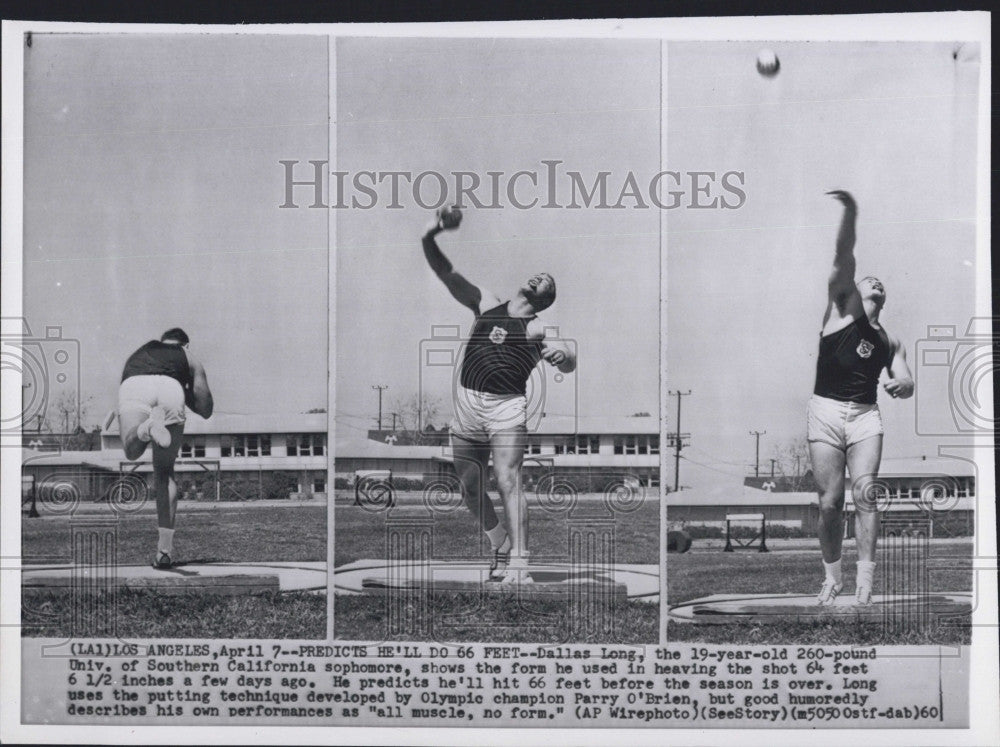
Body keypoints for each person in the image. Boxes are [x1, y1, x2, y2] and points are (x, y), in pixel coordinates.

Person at [422, 207, 576, 583]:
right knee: (470, 486)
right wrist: (430, 235)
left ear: (544, 299)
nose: (539, 277)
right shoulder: (487, 303)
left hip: (506, 408)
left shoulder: (539, 328)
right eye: (538, 274)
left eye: (546, 282)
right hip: (468, 405)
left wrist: (565, 357)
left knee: (508, 479)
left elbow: (569, 358)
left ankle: (520, 564)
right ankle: (499, 542)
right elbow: (446, 274)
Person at [808, 191, 914, 605]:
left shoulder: (890, 339)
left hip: (866, 415)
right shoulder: (840, 312)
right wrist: (851, 212)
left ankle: (865, 580)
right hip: (826, 410)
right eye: (869, 280)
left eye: (880, 284)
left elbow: (906, 382)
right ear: (856, 289)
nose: (876, 282)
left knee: (866, 493)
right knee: (830, 501)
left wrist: (901, 386)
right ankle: (832, 577)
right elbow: (844, 252)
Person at [117, 328, 213, 569]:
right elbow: (206, 409)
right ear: (185, 345)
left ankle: (145, 429)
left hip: (135, 384)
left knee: (132, 450)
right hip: (172, 389)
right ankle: (164, 551)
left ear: (162, 342)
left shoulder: (139, 353)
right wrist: (186, 385)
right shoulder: (189, 357)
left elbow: (127, 382)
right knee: (165, 473)